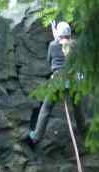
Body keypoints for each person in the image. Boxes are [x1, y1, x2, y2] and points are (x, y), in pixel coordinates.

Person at [24, 21, 81, 149]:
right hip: (72, 81)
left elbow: (50, 61)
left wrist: (56, 40)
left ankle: (36, 136)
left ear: (58, 34)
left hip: (57, 80)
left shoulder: (52, 45)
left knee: (46, 108)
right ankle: (83, 130)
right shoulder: (75, 45)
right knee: (78, 108)